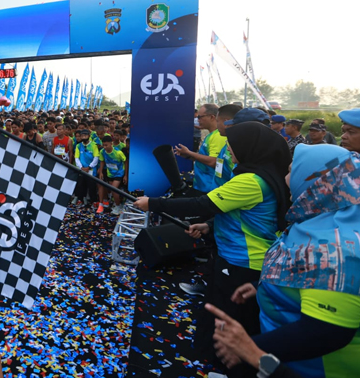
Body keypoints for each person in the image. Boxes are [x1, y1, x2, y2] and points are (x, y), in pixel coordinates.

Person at [135, 122, 292, 369]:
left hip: (244, 262)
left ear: (249, 148)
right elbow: (236, 214)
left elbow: (202, 204)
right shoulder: (258, 174)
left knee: (231, 319)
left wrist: (153, 203)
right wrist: (209, 226)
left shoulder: (251, 181)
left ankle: (230, 368)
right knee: (220, 311)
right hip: (235, 257)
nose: (228, 154)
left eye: (231, 148)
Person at [217, 145, 360, 378]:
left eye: (292, 170)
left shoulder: (338, 247)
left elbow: (325, 332)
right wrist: (266, 286)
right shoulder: (318, 219)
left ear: (314, 180)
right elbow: (308, 273)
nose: (284, 178)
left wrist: (249, 349)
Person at [175, 103, 225, 193]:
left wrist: (190, 153)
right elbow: (205, 157)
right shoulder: (211, 135)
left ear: (212, 117)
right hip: (202, 186)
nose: (198, 120)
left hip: (210, 188)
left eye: (200, 117)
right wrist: (188, 155)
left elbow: (214, 161)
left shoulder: (218, 136)